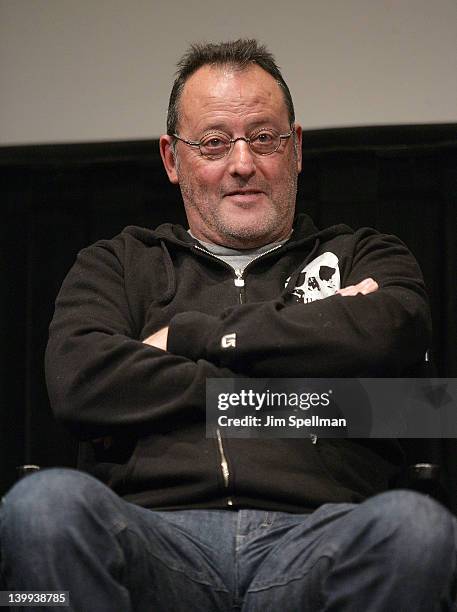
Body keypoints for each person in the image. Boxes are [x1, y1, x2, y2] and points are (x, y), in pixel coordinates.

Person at [1, 39, 456, 611]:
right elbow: (80, 385)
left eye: (264, 138)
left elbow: (411, 371)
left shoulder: (367, 255)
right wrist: (309, 380)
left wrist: (193, 340)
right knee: (42, 506)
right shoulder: (117, 264)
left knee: (416, 526)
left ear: (296, 149)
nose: (242, 163)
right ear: (172, 158)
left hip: (325, 538)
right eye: (214, 143)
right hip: (152, 536)